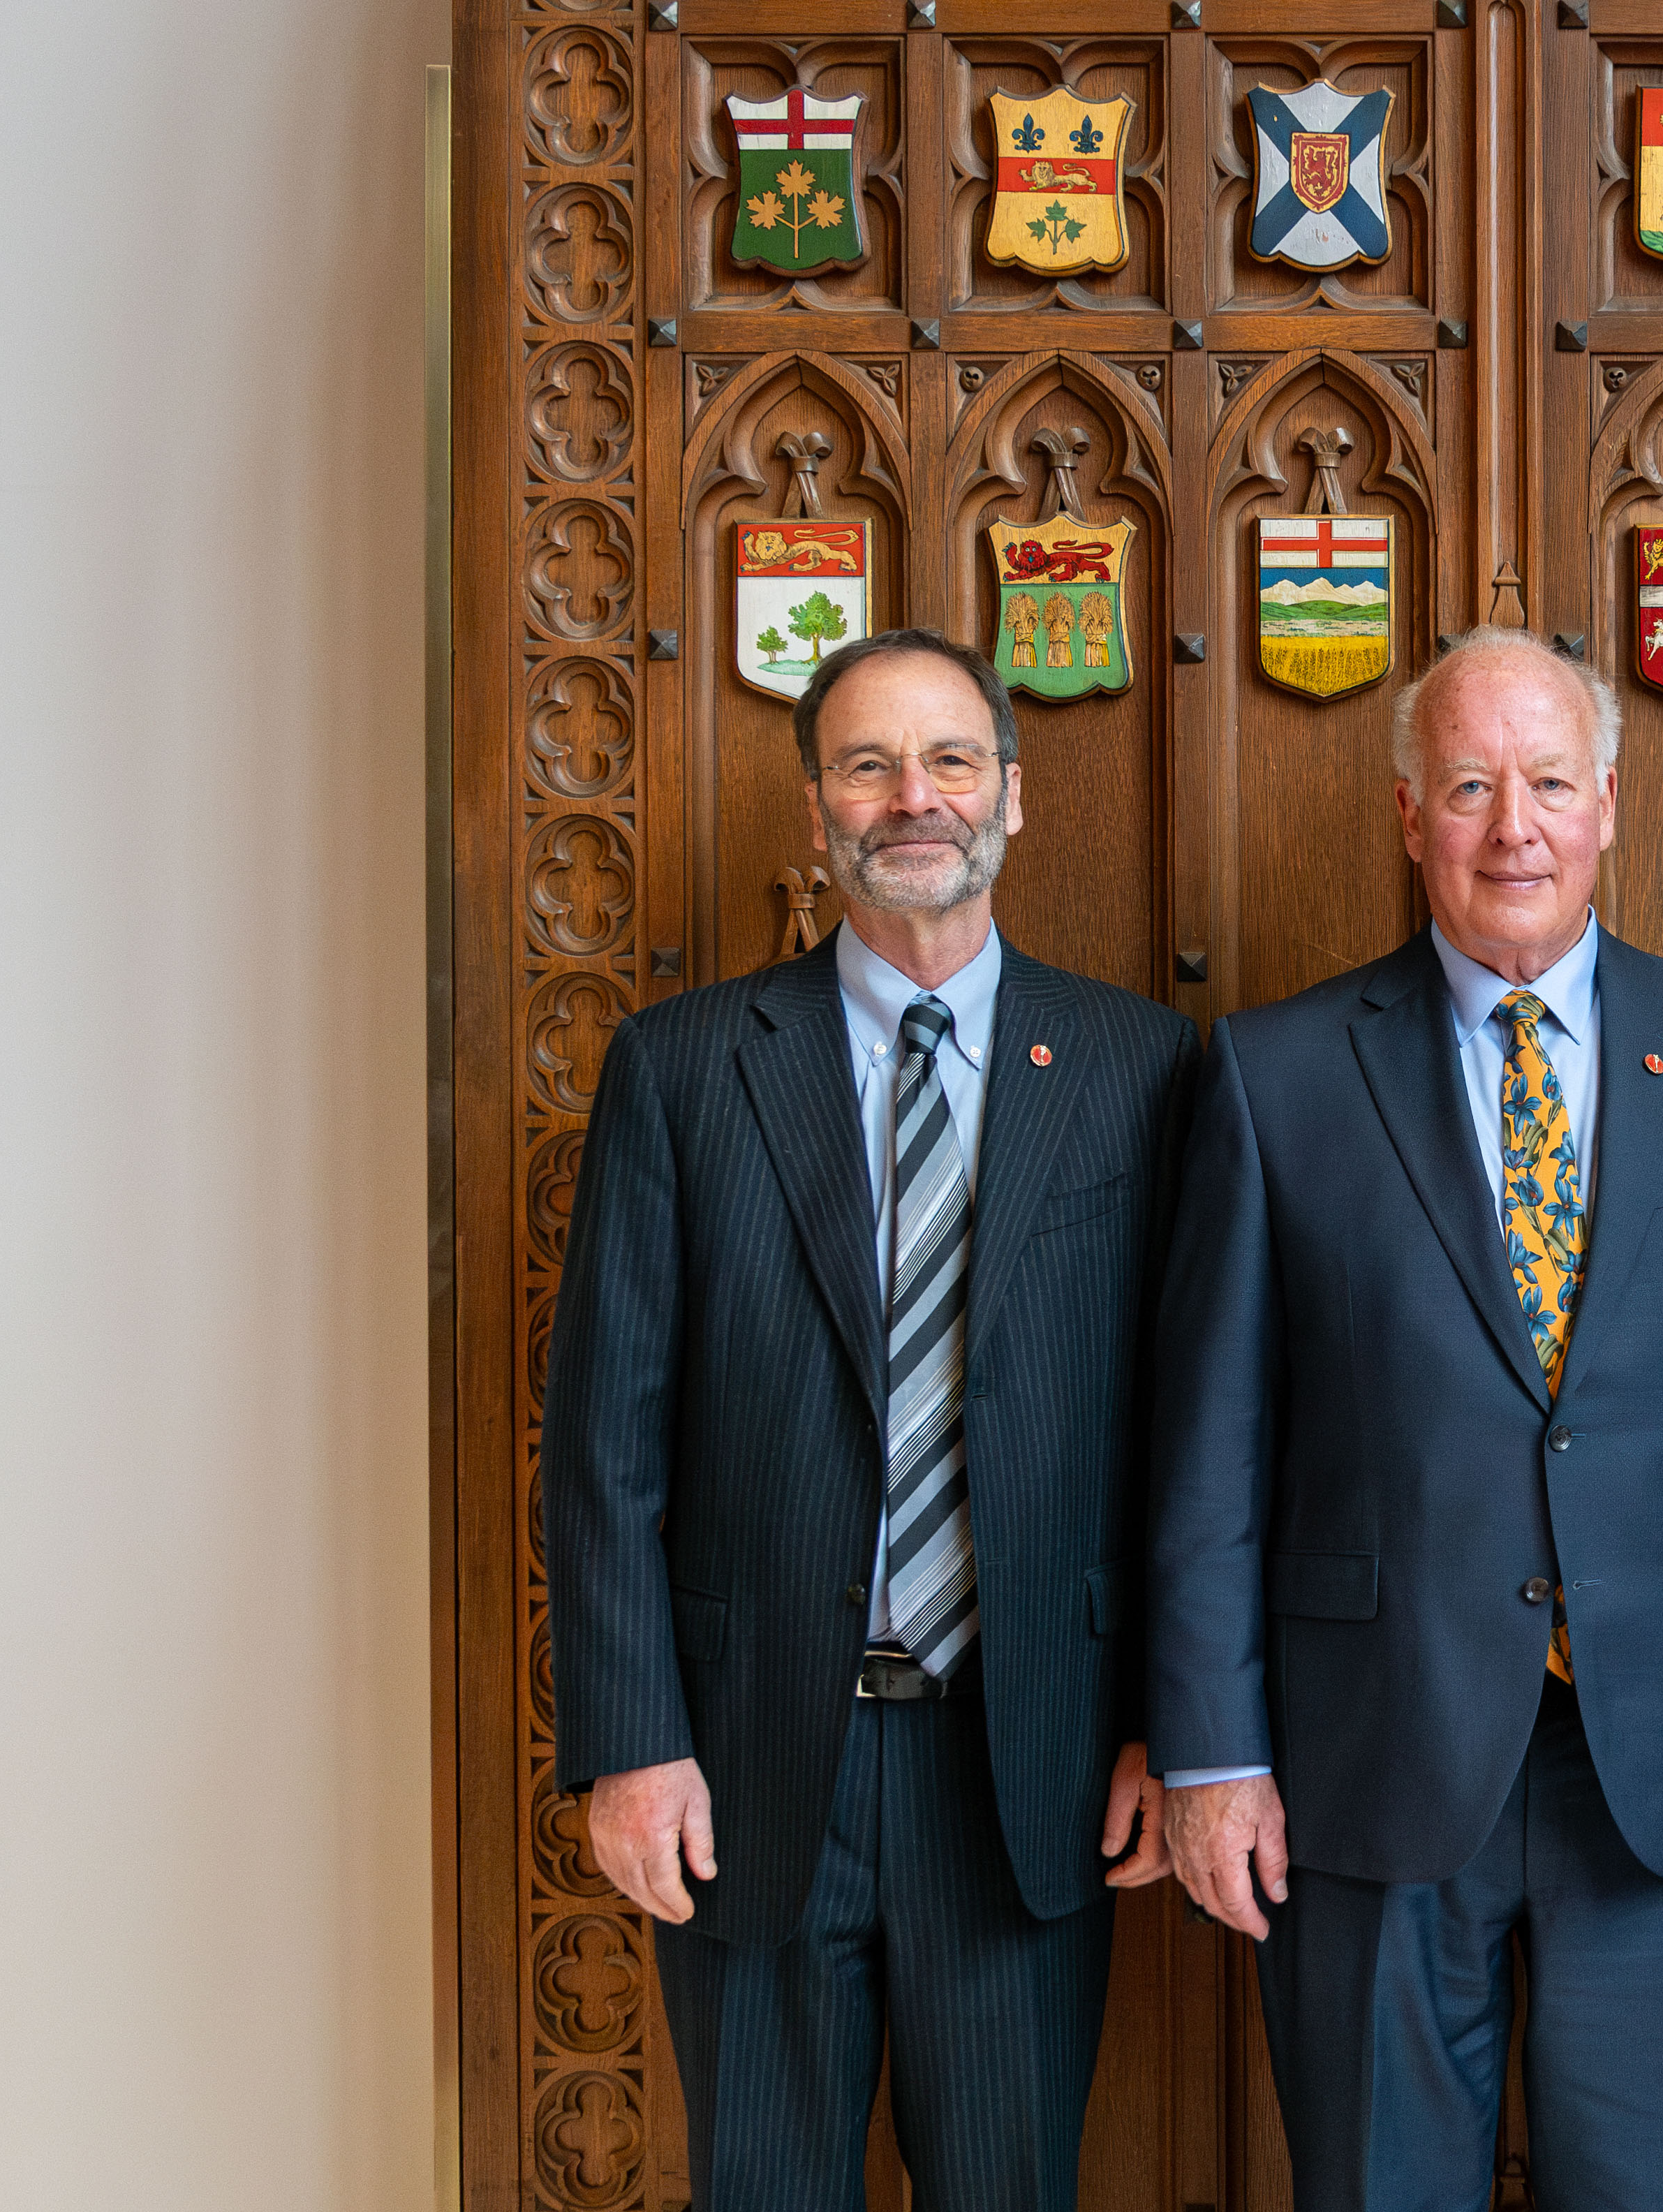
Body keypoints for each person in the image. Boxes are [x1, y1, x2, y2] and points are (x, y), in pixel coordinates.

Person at [1149, 628, 1663, 2211]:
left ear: (1607, 803)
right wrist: (1208, 1752)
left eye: (1543, 783)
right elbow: (1210, 1452)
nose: (1509, 826)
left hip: (1658, 1760)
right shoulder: (1272, 1073)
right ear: (1410, 817)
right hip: (1365, 1756)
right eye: (1468, 786)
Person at [544, 629, 1195, 2211]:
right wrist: (628, 1747)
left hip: (1025, 1758)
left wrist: (1172, 1729)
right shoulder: (687, 1070)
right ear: (817, 809)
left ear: (1012, 798)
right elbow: (603, 1443)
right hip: (753, 1764)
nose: (915, 797)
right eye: (868, 763)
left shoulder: (1141, 1068)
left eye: (951, 759)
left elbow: (1193, 1442)